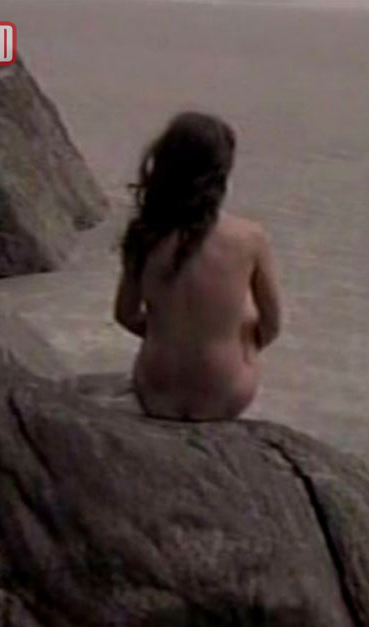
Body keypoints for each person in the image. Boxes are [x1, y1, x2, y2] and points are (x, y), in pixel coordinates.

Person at [114, 112, 283, 421]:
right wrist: (239, 346)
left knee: (176, 319)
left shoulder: (144, 234)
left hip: (156, 394)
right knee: (243, 315)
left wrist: (169, 333)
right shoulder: (249, 237)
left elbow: (125, 314)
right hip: (226, 396)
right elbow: (272, 325)